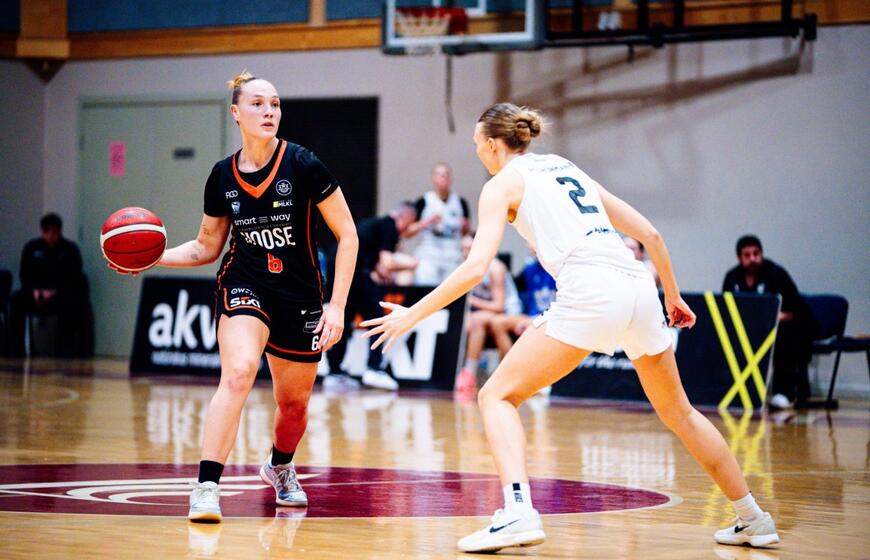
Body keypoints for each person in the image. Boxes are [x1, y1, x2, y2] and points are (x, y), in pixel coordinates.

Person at [363, 103, 779, 553]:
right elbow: (651, 235)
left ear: (492, 145)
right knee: (681, 413)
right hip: (639, 286)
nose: (477, 152)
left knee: (495, 395)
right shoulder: (566, 167)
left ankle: (518, 512)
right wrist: (672, 295)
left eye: (476, 144)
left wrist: (412, 313)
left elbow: (475, 267)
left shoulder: (500, 184)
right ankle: (753, 517)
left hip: (591, 290)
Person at [112, 72, 358, 523]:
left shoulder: (303, 163)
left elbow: (348, 235)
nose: (269, 112)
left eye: (275, 104)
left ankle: (280, 466)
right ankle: (206, 486)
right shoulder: (222, 176)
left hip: (300, 294)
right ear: (236, 113)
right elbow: (206, 247)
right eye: (258, 104)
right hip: (245, 283)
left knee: (294, 406)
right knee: (240, 372)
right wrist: (152, 257)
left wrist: (337, 306)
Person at [323, 203, 418, 392]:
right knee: (377, 319)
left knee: (345, 319)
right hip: (354, 272)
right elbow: (388, 263)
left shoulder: (375, 225)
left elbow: (377, 263)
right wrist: (412, 265)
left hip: (340, 271)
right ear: (407, 218)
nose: (408, 230)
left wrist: (382, 272)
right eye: (411, 223)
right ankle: (374, 369)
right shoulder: (390, 226)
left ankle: (334, 372)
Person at [722, 235, 816, 409]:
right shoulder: (732, 277)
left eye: (756, 254)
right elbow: (725, 307)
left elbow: (796, 310)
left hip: (780, 328)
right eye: (747, 255)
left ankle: (784, 393)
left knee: (786, 336)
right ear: (739, 257)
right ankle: (736, 391)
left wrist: (775, 317)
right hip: (746, 330)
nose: (753, 259)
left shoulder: (776, 274)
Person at [6, 213, 91, 358]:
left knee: (71, 302)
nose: (51, 236)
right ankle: (15, 349)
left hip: (60, 294)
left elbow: (73, 277)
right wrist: (34, 291)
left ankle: (64, 351)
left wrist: (53, 291)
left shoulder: (69, 250)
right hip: (35, 293)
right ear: (42, 231)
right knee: (16, 300)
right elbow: (25, 274)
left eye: (54, 232)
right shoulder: (32, 248)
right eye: (47, 232)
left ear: (60, 232)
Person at [455, 233, 522, 393]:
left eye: (469, 248)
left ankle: (470, 373)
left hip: (508, 312)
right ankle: (463, 373)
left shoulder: (495, 268)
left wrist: (471, 301)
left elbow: (499, 306)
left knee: (476, 320)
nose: (465, 252)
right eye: (463, 249)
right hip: (483, 314)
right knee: (462, 321)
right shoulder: (464, 267)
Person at [403, 162, 471, 285]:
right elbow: (407, 233)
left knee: (452, 290)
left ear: (451, 178)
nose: (443, 178)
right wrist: (426, 222)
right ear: (433, 178)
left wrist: (465, 227)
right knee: (426, 288)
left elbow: (466, 233)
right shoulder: (423, 201)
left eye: (446, 175)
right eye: (439, 175)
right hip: (428, 255)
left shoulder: (460, 202)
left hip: (452, 256)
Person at [487, 249, 557, 360]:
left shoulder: (560, 270)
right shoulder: (529, 269)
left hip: (555, 317)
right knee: (497, 322)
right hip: (531, 316)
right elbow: (513, 291)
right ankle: (510, 366)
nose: (530, 247)